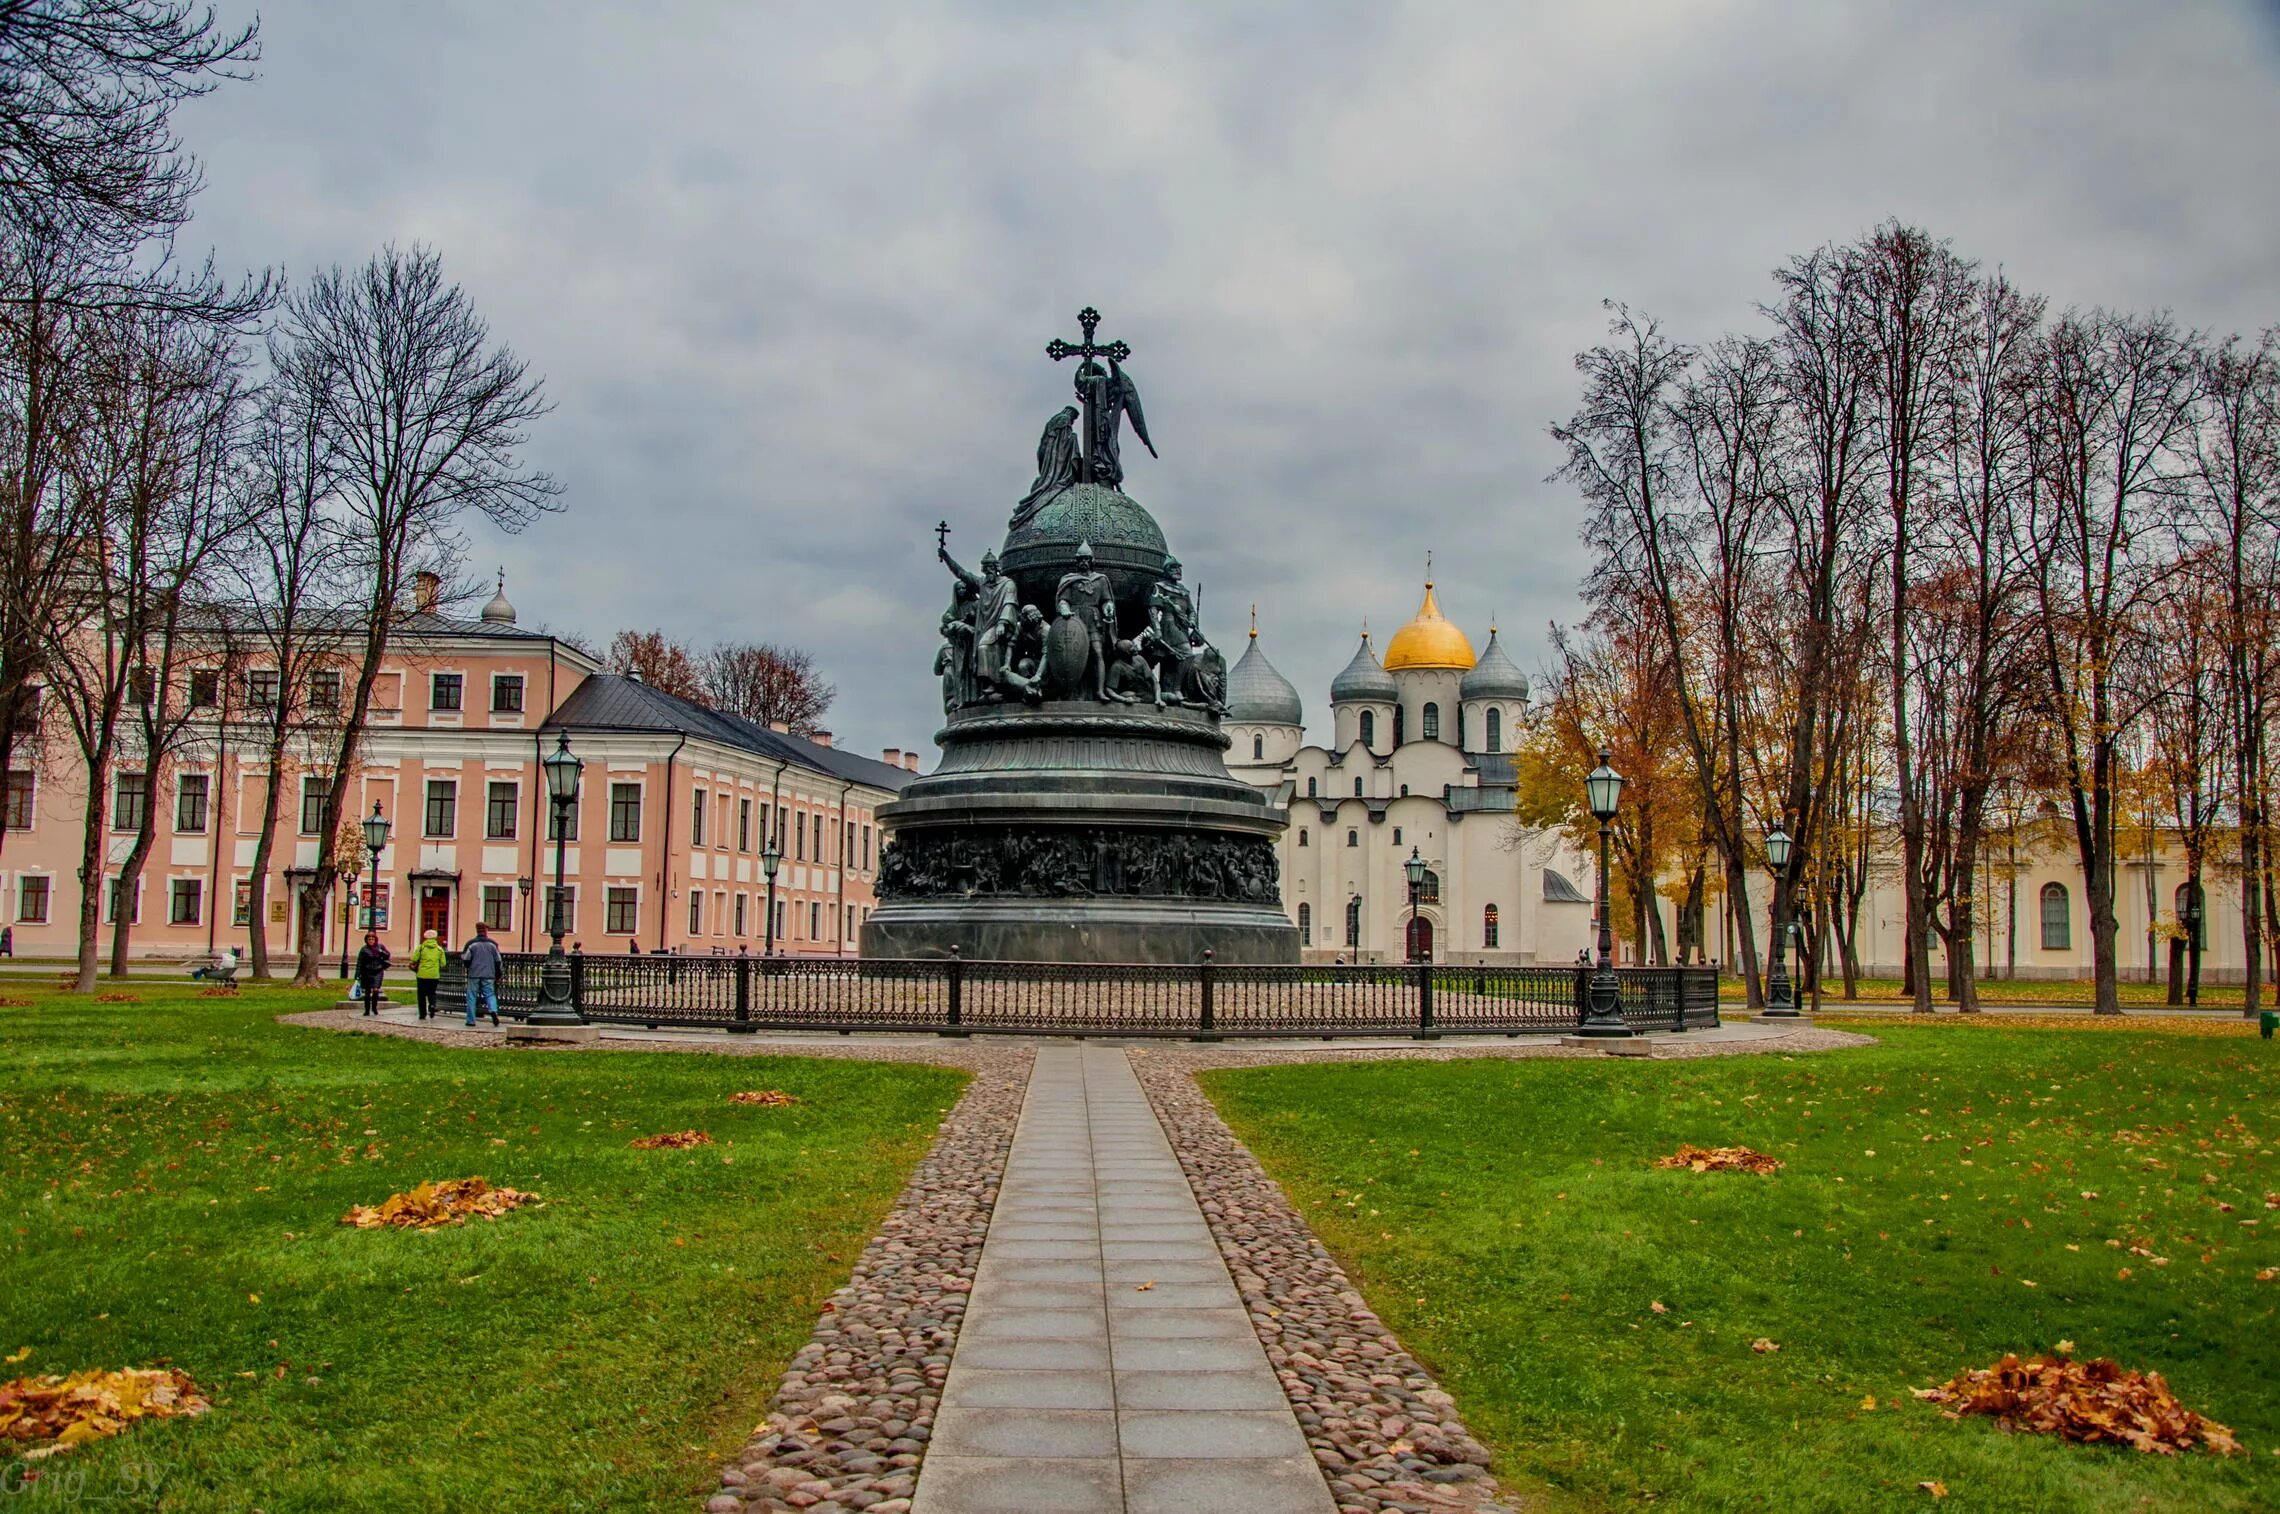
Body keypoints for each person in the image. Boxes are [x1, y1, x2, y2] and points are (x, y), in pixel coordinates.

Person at [462, 921, 502, 1027]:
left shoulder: (471, 944)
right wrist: (498, 975)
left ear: (476, 930)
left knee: (471, 997)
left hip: (474, 973)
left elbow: (466, 959)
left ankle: (471, 1020)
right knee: (490, 994)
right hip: (489, 973)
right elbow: (498, 961)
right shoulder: (493, 944)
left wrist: (469, 968)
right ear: (486, 931)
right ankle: (493, 1010)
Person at [411, 929, 446, 1020]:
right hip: (434, 975)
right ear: (435, 937)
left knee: (421, 995)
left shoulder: (421, 947)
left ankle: (422, 1014)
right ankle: (432, 1005)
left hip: (422, 974)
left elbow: (414, 959)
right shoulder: (439, 949)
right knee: (432, 993)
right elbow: (443, 963)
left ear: (425, 937)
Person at [354, 933, 391, 1016]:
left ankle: (374, 1008)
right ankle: (367, 1010)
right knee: (367, 991)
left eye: (372, 939)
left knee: (376, 989)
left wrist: (381, 952)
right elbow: (360, 962)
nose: (371, 941)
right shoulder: (364, 949)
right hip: (367, 971)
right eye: (369, 939)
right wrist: (357, 973)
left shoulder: (380, 947)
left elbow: (388, 955)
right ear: (366, 940)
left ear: (375, 940)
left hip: (378, 971)